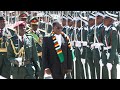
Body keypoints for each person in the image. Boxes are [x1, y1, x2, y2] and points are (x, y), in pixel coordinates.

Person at [101, 12, 119, 79]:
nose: (104, 20)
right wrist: (102, 58)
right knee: (105, 76)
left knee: (112, 76)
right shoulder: (105, 30)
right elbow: (104, 46)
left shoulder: (113, 31)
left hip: (112, 57)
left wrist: (110, 61)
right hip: (105, 56)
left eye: (106, 18)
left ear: (110, 20)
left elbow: (114, 48)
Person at [0, 14, 15, 79]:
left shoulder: (11, 32)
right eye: (0, 21)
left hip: (7, 58)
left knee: (6, 76)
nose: (2, 23)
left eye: (3, 21)